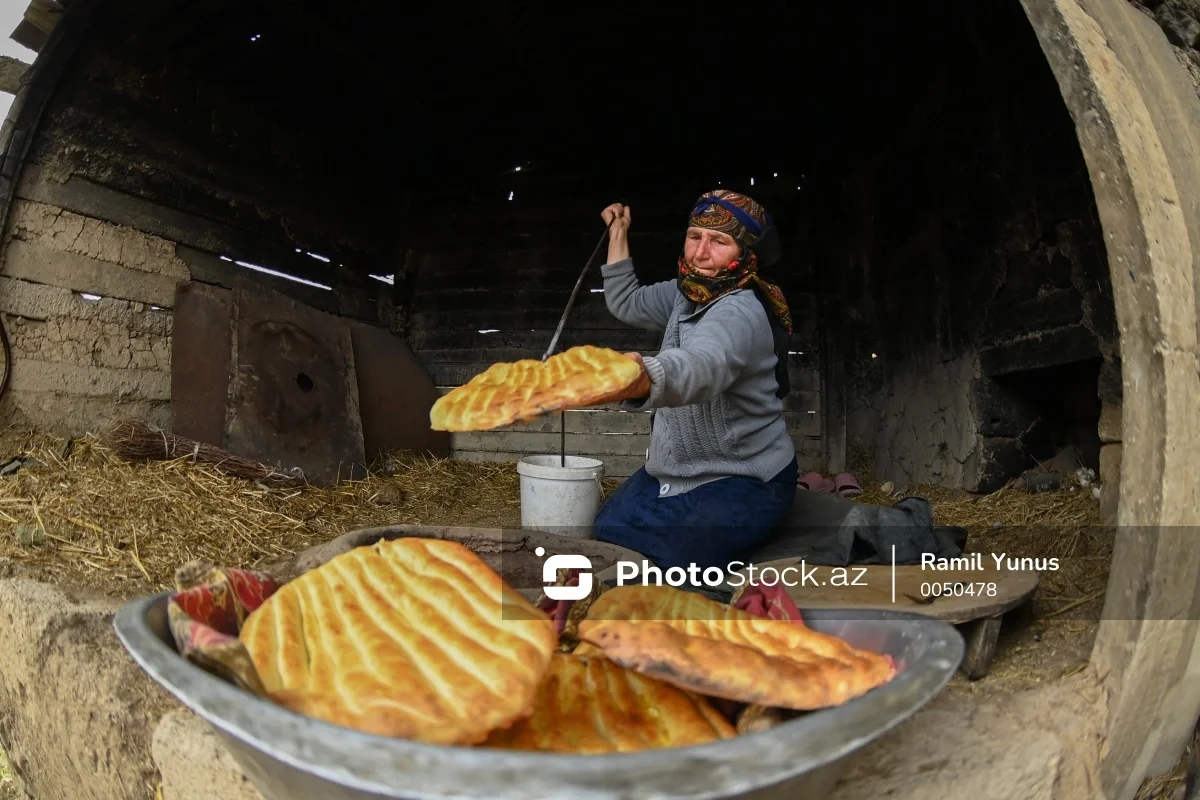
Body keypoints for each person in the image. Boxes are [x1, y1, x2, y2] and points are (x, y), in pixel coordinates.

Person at [590, 189, 798, 573]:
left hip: (742, 476)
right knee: (608, 530)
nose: (701, 253)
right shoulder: (687, 291)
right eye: (694, 236)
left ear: (746, 253)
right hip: (675, 470)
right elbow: (627, 302)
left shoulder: (739, 308)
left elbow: (702, 365)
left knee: (681, 566)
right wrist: (618, 232)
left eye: (719, 241)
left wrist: (642, 375)